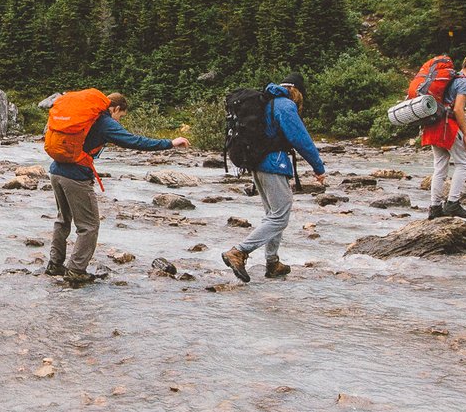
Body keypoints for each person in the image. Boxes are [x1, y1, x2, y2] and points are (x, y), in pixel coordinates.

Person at [43, 90, 189, 286]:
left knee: (63, 220)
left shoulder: (83, 117)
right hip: (76, 176)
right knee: (89, 226)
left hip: (56, 170)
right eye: (120, 116)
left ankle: (55, 264)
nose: (119, 120)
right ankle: (76, 270)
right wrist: (170, 143)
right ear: (116, 108)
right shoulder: (104, 122)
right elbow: (135, 141)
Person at [222, 81, 325, 283]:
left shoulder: (266, 102)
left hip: (257, 162)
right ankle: (239, 252)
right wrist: (318, 167)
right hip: (273, 163)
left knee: (273, 215)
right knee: (279, 217)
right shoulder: (285, 105)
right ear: (297, 92)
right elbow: (300, 138)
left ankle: (272, 262)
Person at [421, 53, 466, 219]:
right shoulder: (464, 82)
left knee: (440, 167)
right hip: (447, 126)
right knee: (464, 164)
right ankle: (452, 204)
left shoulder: (450, 78)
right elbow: (458, 109)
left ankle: (435, 208)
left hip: (433, 124)